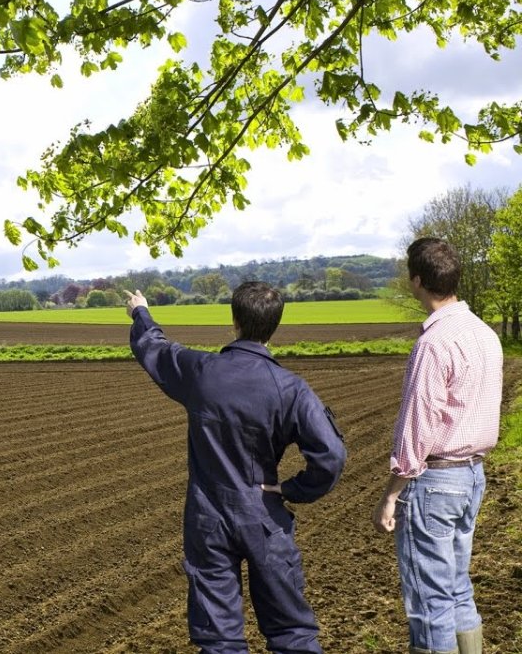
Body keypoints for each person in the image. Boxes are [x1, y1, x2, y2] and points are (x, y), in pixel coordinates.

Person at [124, 281, 346, 653]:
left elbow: (155, 349)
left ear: (234, 320)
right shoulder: (290, 388)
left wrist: (140, 311)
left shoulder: (201, 371)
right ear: (274, 326)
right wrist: (292, 489)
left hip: (207, 517)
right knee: (292, 633)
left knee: (219, 639)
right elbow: (331, 456)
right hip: (264, 515)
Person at [371, 238, 503, 654]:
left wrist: (391, 495)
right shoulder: (485, 334)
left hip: (434, 482)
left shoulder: (433, 344)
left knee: (429, 601)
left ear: (417, 281)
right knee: (457, 587)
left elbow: (417, 425)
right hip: (472, 475)